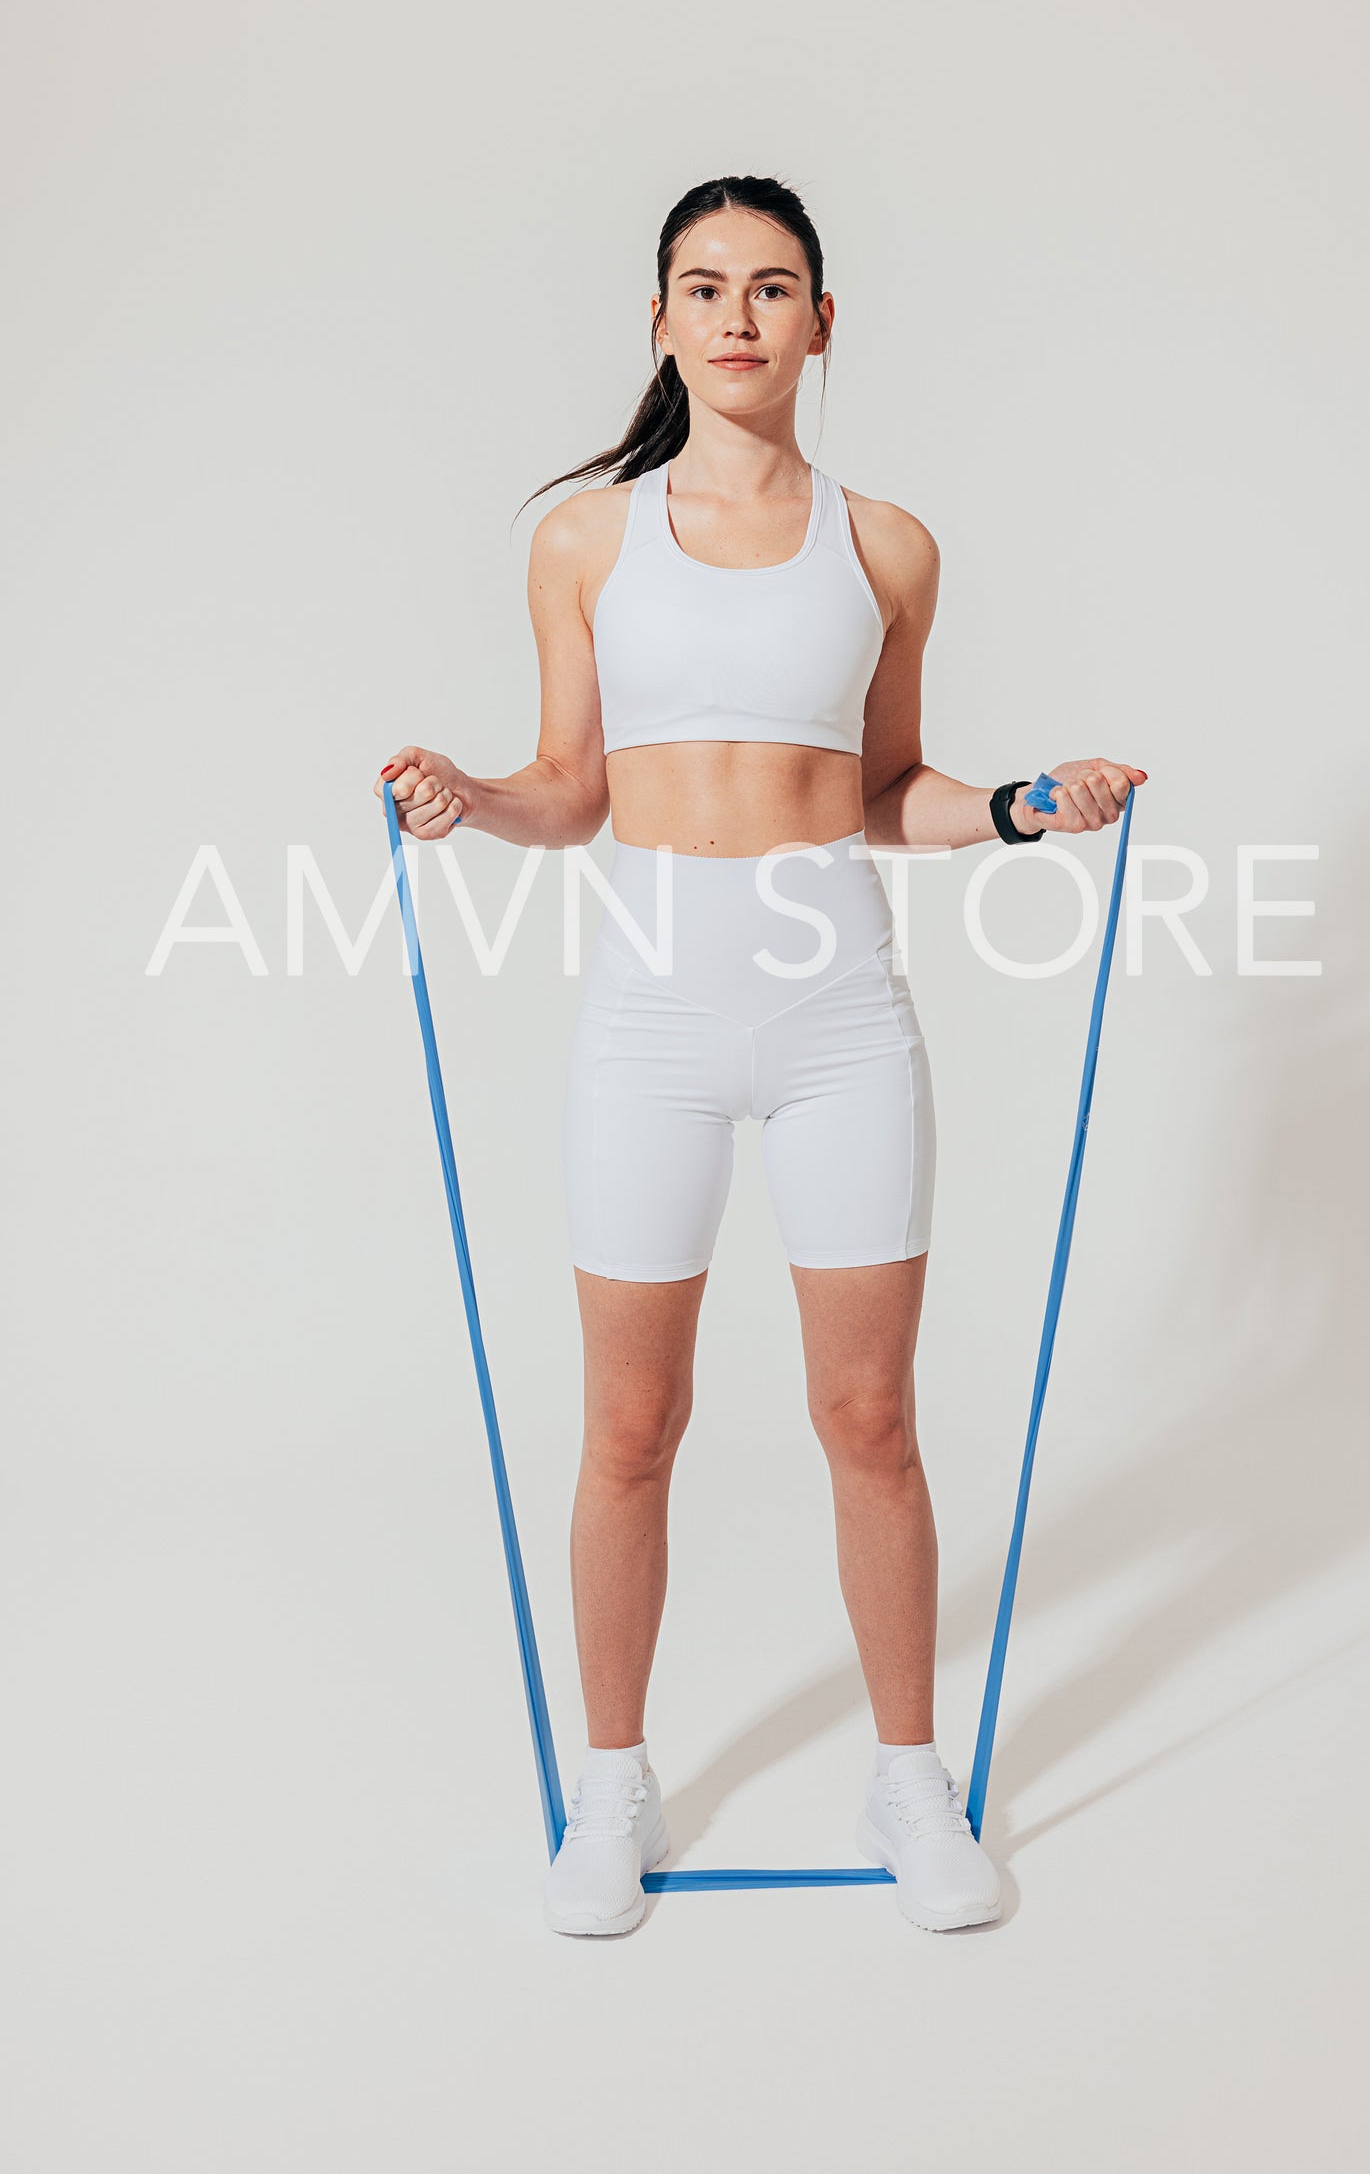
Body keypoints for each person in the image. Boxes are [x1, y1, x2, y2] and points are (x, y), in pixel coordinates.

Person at [376, 173, 1146, 1937]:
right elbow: (571, 785)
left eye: (772, 286)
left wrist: (1028, 805)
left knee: (867, 1415)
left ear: (819, 322)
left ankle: (909, 1773)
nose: (736, 314)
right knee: (630, 1423)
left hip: (838, 1021)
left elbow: (886, 790)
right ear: (658, 320)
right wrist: (468, 800)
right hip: (645, 1018)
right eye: (703, 286)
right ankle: (609, 1785)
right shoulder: (584, 541)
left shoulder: (886, 546)